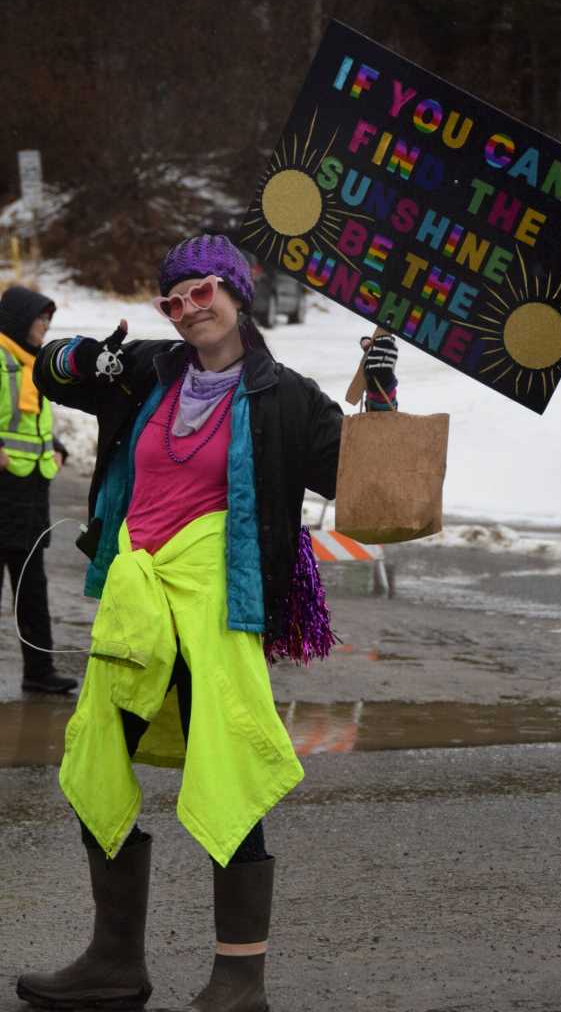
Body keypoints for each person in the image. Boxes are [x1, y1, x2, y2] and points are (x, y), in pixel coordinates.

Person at [17, 234, 398, 1012]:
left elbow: (368, 489)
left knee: (227, 778)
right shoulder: (151, 371)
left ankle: (238, 979)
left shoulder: (286, 396)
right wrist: (89, 358)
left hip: (220, 611)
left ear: (236, 293)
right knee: (96, 766)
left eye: (202, 292)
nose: (189, 310)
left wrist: (383, 396)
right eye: (173, 298)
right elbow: (50, 372)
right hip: (137, 609)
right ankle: (113, 962)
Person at [0, 285, 76, 694]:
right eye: (39, 318)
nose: (45, 326)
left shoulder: (33, 365)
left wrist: (59, 448)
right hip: (2, 488)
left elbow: (33, 424)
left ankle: (39, 670)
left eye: (49, 319)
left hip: (30, 494)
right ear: (17, 319)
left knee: (32, 586)